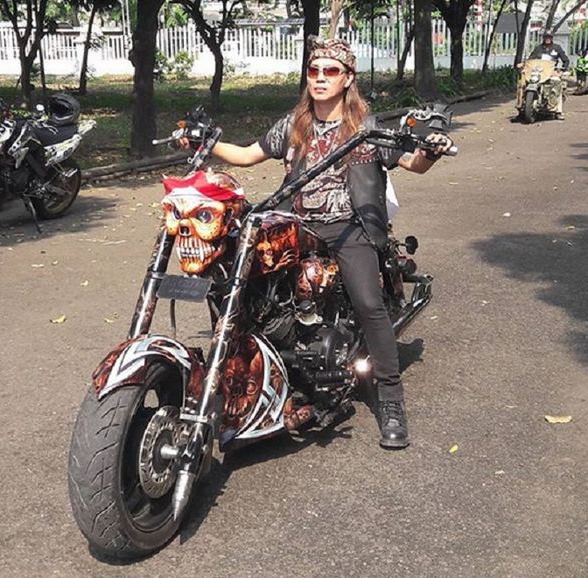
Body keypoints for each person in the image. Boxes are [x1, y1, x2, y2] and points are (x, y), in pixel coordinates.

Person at [182, 36, 452, 449]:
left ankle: (391, 398)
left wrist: (431, 148)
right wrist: (207, 141)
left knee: (368, 302)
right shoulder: (294, 125)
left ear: (348, 78)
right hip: (294, 223)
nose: (321, 78)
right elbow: (247, 154)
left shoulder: (367, 128)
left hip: (349, 225)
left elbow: (413, 163)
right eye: (314, 70)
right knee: (241, 282)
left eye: (331, 71)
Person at [528, 31, 570, 120]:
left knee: (557, 83)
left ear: (552, 38)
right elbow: (530, 59)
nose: (547, 39)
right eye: (546, 37)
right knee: (524, 82)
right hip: (538, 72)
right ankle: (522, 108)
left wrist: (561, 70)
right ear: (543, 38)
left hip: (551, 72)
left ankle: (558, 111)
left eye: (549, 37)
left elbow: (566, 60)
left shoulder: (557, 48)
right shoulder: (538, 48)